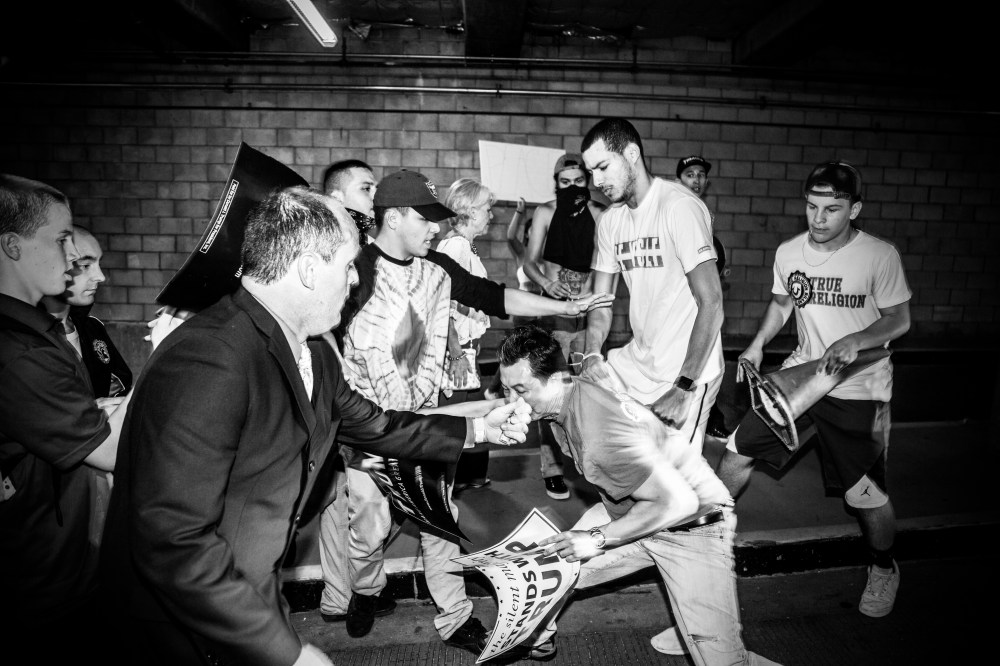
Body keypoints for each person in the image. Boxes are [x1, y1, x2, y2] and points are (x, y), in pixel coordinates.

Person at [100, 185, 530, 666]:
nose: (354, 282)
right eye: (348, 266)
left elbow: (377, 425)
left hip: (249, 593)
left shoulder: (316, 351)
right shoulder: (210, 358)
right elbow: (174, 542)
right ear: (308, 269)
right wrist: (284, 651)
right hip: (180, 627)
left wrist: (480, 431)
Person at [318, 169, 613, 651]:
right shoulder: (356, 272)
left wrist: (572, 306)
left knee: (441, 520)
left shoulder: (437, 268)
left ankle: (455, 616)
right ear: (392, 219)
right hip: (368, 432)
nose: (436, 228)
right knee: (367, 529)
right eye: (426, 219)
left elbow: (495, 297)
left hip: (428, 423)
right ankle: (369, 590)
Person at [496, 324, 781, 665]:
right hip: (635, 510)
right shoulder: (571, 386)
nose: (513, 400)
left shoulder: (597, 441)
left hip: (692, 524)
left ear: (555, 379)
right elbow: (582, 352)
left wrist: (597, 538)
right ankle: (538, 638)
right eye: (507, 389)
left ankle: (697, 622)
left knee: (724, 662)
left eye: (521, 390)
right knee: (544, 568)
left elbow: (675, 503)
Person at [714, 161, 912, 618]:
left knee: (864, 494)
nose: (818, 218)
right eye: (812, 206)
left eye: (832, 209)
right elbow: (782, 303)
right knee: (737, 450)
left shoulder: (879, 256)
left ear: (854, 209)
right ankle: (710, 536)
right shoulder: (790, 252)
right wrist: (758, 345)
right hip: (802, 377)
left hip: (859, 387)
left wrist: (855, 339)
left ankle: (883, 566)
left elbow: (899, 320)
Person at [0, 174, 131, 661]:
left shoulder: (39, 332)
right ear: (13, 246)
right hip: (42, 576)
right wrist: (168, 353)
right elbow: (109, 450)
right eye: (60, 240)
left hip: (67, 557)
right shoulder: (19, 351)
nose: (69, 253)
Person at [581, 118, 725, 456]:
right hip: (641, 362)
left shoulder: (679, 206)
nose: (596, 181)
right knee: (622, 460)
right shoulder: (611, 222)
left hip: (688, 369)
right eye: (591, 172)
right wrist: (590, 353)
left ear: (632, 154)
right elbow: (601, 304)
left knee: (676, 485)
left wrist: (684, 387)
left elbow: (712, 303)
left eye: (602, 167)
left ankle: (712, 507)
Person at [40, 226, 133, 548]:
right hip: (55, 516)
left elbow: (121, 388)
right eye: (85, 264)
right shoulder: (28, 345)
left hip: (104, 499)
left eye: (99, 263)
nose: (101, 276)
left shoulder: (92, 329)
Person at [522, 153, 607, 500]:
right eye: (565, 182)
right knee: (550, 393)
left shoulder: (602, 215)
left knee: (588, 392)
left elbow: (607, 266)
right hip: (554, 315)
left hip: (587, 318)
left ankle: (588, 460)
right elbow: (529, 262)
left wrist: (592, 292)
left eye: (579, 181)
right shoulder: (544, 212)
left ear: (588, 181)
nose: (572, 187)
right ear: (556, 183)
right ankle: (552, 468)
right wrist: (546, 282)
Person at [437, 177, 497, 492]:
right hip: (458, 350)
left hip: (467, 348)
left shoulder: (465, 246)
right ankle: (439, 490)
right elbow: (441, 305)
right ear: (471, 211)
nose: (491, 214)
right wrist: (456, 353)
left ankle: (465, 478)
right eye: (487, 208)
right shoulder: (455, 246)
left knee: (472, 419)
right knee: (453, 423)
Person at [322, 158, 377, 245]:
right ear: (336, 198)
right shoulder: (319, 243)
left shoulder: (375, 242)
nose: (376, 196)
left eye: (376, 189)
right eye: (366, 189)